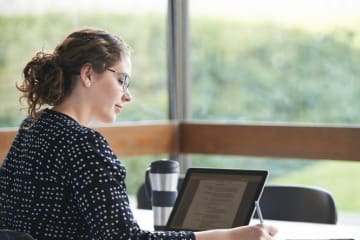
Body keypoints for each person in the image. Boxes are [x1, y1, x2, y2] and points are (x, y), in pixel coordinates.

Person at [0, 27, 278, 240]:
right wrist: (228, 236)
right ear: (88, 74)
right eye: (121, 80)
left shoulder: (31, 130)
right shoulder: (84, 144)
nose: (127, 95)